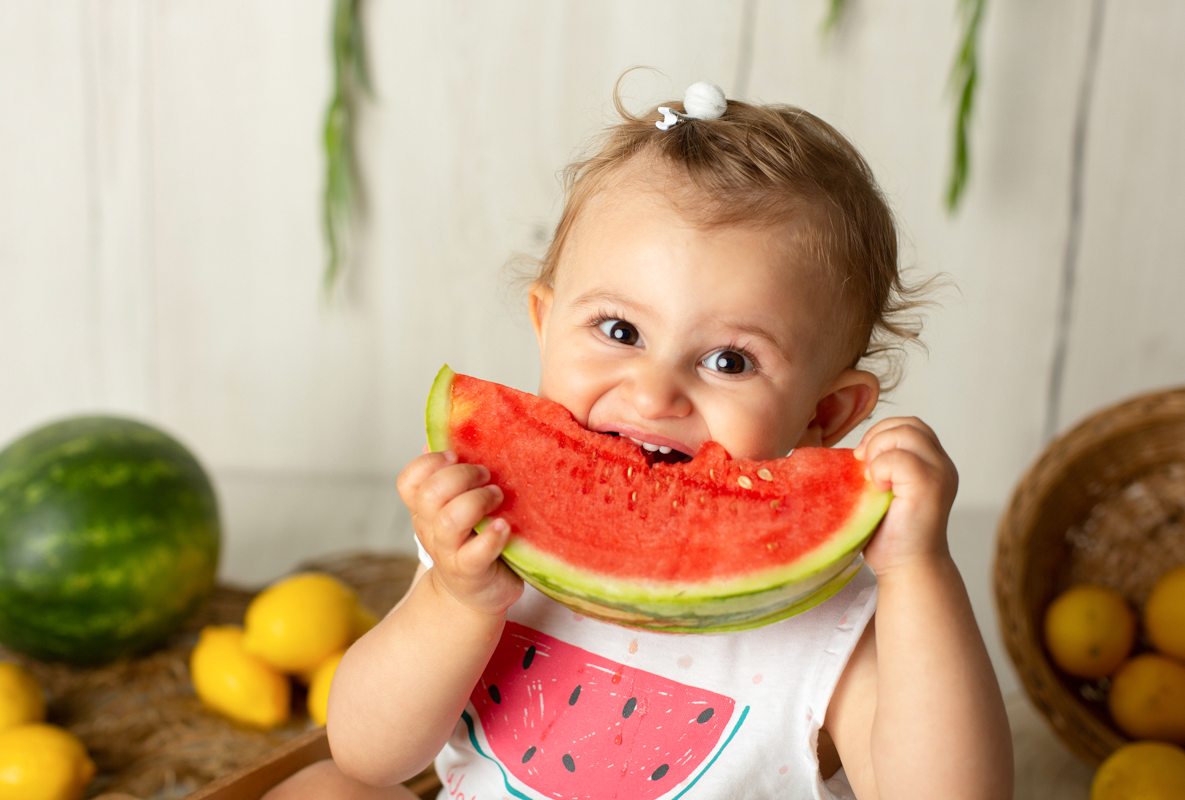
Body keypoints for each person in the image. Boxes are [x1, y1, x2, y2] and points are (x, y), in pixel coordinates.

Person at [266, 82, 1013, 800]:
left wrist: (918, 572)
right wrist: (455, 602)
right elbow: (369, 754)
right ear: (545, 325)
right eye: (620, 331)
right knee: (323, 789)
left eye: (730, 361)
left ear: (827, 411)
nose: (655, 393)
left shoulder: (831, 621)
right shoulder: (488, 534)